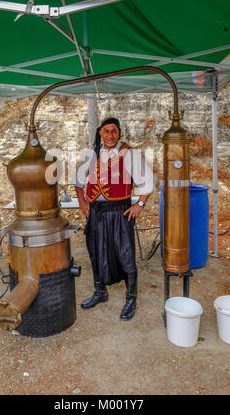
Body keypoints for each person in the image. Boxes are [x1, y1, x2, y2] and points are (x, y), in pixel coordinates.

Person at [72, 117, 154, 320]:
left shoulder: (128, 154)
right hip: (96, 212)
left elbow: (148, 182)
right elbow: (77, 181)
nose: (110, 135)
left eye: (114, 131)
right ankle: (100, 292)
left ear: (119, 134)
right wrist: (83, 203)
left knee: (125, 255)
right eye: (106, 131)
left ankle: (131, 298)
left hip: (119, 212)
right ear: (100, 132)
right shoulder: (91, 154)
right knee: (96, 252)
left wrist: (139, 205)